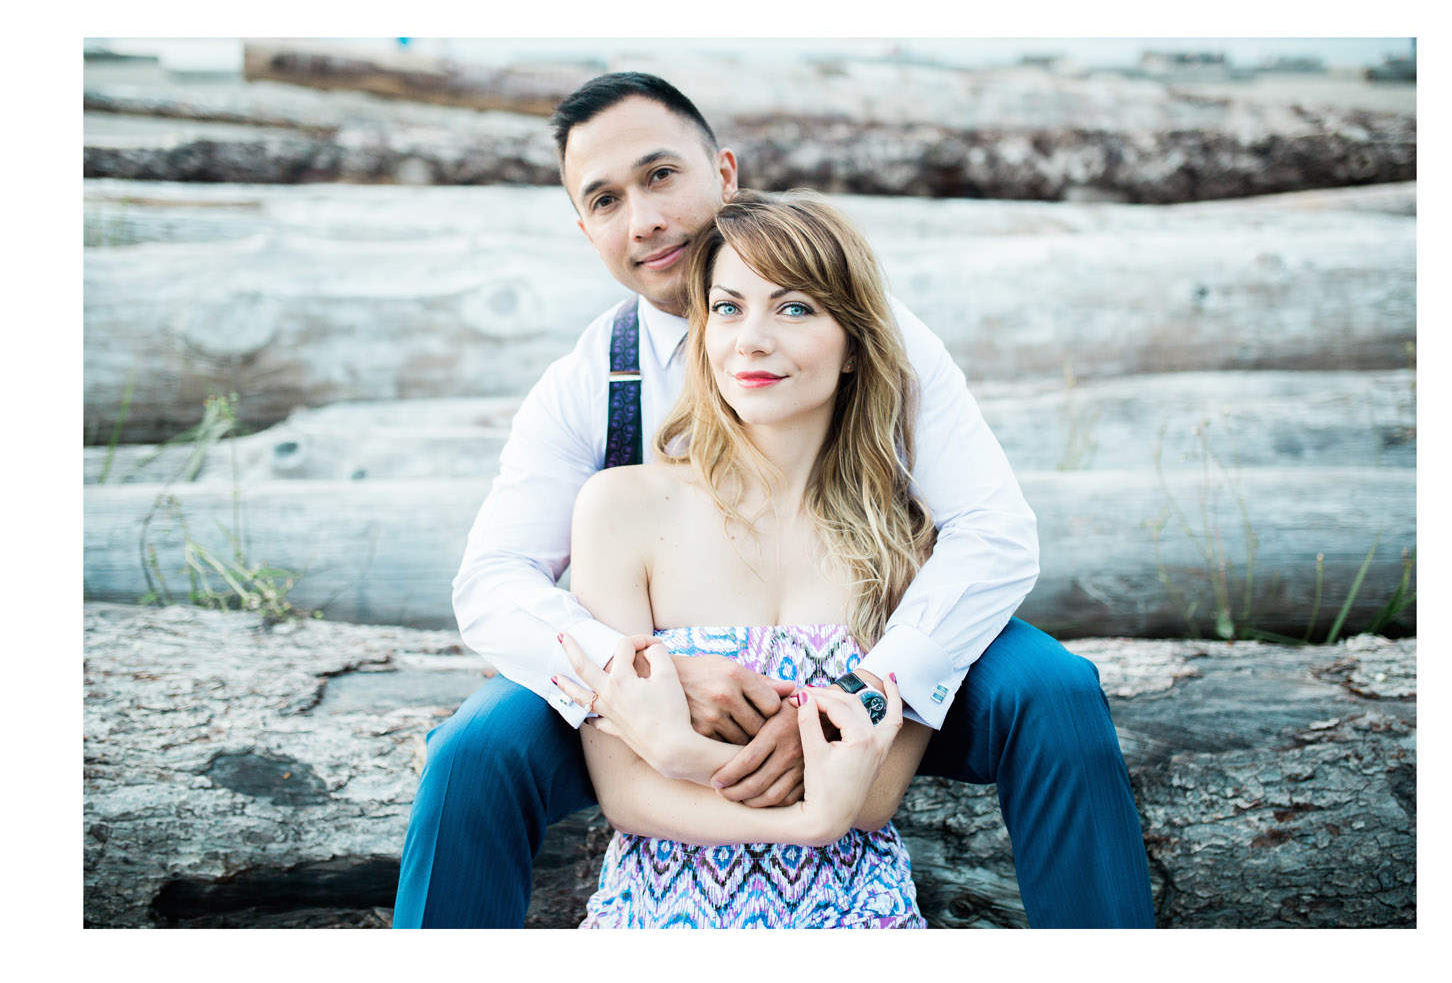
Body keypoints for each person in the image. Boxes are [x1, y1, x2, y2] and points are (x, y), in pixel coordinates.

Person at [392, 72, 1154, 929]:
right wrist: (650, 676)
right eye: (605, 200)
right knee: (473, 752)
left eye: (660, 176)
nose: (641, 218)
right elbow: (492, 581)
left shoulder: (877, 335)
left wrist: (870, 693)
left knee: (1054, 692)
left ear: (725, 173)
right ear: (585, 229)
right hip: (645, 666)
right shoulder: (588, 382)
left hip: (874, 626)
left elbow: (993, 530)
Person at [553, 191, 932, 927]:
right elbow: (627, 793)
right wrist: (803, 823)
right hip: (663, 916)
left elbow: (874, 796)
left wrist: (683, 753)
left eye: (794, 308)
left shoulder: (907, 540)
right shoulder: (621, 509)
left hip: (855, 915)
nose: (750, 340)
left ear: (854, 345)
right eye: (727, 308)